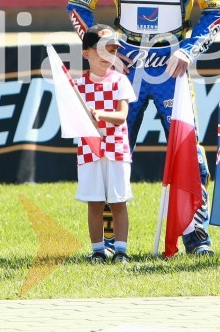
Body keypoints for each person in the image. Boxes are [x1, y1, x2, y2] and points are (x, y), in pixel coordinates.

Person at [66, 0, 220, 256]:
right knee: (109, 152)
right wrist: (108, 49)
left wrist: (189, 49)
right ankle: (109, 243)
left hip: (171, 66)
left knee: (190, 152)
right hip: (128, 70)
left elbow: (217, 10)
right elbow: (77, 3)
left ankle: (195, 236)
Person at [75, 24, 137, 264]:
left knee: (119, 201)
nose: (107, 56)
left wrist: (99, 114)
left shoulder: (120, 81)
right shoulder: (78, 87)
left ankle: (121, 250)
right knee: (95, 202)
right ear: (86, 53)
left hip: (117, 150)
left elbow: (121, 116)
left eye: (112, 51)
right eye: (101, 50)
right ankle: (98, 250)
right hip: (89, 152)